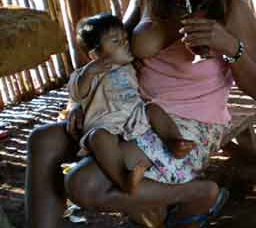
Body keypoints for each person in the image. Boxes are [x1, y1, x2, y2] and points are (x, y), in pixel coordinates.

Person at [25, 0, 256, 228]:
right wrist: (78, 104)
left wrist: (231, 47)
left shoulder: (230, 10)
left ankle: (198, 193)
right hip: (129, 109)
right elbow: (108, 54)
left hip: (185, 125)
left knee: (83, 185)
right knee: (43, 141)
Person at [69, 13, 196, 194]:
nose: (124, 43)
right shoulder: (87, 73)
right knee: (98, 137)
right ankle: (123, 179)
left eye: (125, 38)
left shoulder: (129, 68)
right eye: (115, 41)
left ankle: (173, 141)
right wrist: (89, 73)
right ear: (95, 54)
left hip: (133, 117)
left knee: (152, 109)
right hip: (106, 124)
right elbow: (77, 93)